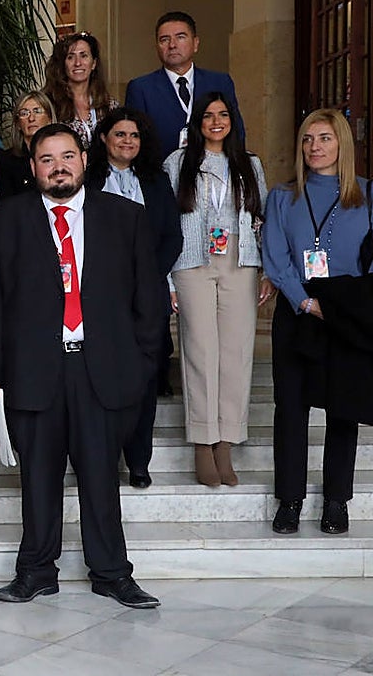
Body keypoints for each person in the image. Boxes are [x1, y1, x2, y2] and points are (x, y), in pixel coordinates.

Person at [0, 123, 164, 609]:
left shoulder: (126, 217)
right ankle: (36, 571)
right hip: (33, 370)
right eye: (46, 159)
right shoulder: (3, 220)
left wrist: (141, 363)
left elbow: (150, 299)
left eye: (66, 156)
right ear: (33, 168)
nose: (58, 166)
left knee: (101, 476)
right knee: (38, 477)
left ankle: (113, 574)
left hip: (103, 369)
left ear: (83, 159)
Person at [263, 109, 370, 535]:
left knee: (344, 409)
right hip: (297, 310)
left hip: (349, 314)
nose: (314, 147)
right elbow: (276, 257)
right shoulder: (281, 197)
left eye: (323, 138)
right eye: (307, 139)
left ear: (341, 143)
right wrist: (305, 302)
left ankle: (335, 502)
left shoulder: (368, 195)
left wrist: (348, 306)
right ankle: (289, 500)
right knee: (290, 407)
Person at [164, 92, 271, 487]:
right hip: (191, 262)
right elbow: (165, 222)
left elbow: (260, 217)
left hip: (240, 262)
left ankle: (226, 440)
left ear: (232, 120)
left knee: (237, 352)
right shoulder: (177, 163)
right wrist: (168, 279)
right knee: (200, 351)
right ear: (197, 122)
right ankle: (202, 441)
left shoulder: (250, 164)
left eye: (223, 115)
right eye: (208, 115)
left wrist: (265, 270)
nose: (215, 122)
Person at [85, 108, 182, 488]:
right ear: (104, 138)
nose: (128, 141)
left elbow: (172, 236)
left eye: (134, 135)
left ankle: (139, 461)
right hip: (99, 295)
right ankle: (102, 458)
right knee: (98, 378)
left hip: (147, 295)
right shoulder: (88, 179)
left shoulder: (156, 181)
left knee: (143, 378)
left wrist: (146, 276)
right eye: (120, 134)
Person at [125, 11, 244, 159]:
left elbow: (236, 132)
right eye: (164, 39)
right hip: (162, 175)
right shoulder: (140, 88)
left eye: (180, 37)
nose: (172, 45)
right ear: (157, 47)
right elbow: (134, 142)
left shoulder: (219, 82)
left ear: (195, 43)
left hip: (215, 174)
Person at [42, 32, 115, 149]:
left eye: (84, 55)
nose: (78, 63)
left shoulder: (109, 104)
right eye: (70, 57)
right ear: (63, 64)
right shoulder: (49, 103)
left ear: (94, 64)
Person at [0, 90, 53, 199]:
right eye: (24, 113)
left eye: (37, 111)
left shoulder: (61, 156)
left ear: (49, 119)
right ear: (18, 124)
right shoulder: (5, 161)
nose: (31, 118)